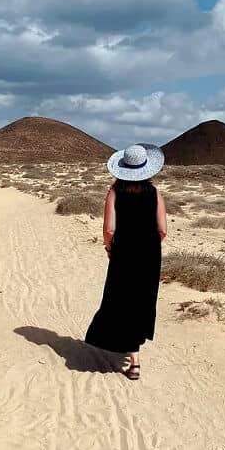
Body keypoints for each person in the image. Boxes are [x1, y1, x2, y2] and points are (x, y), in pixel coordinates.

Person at [85, 143, 167, 380]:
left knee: (120, 299)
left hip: (123, 253)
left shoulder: (114, 192)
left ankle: (134, 361)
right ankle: (134, 356)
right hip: (150, 254)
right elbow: (162, 229)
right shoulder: (155, 193)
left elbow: (109, 229)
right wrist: (149, 248)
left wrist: (110, 249)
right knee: (142, 301)